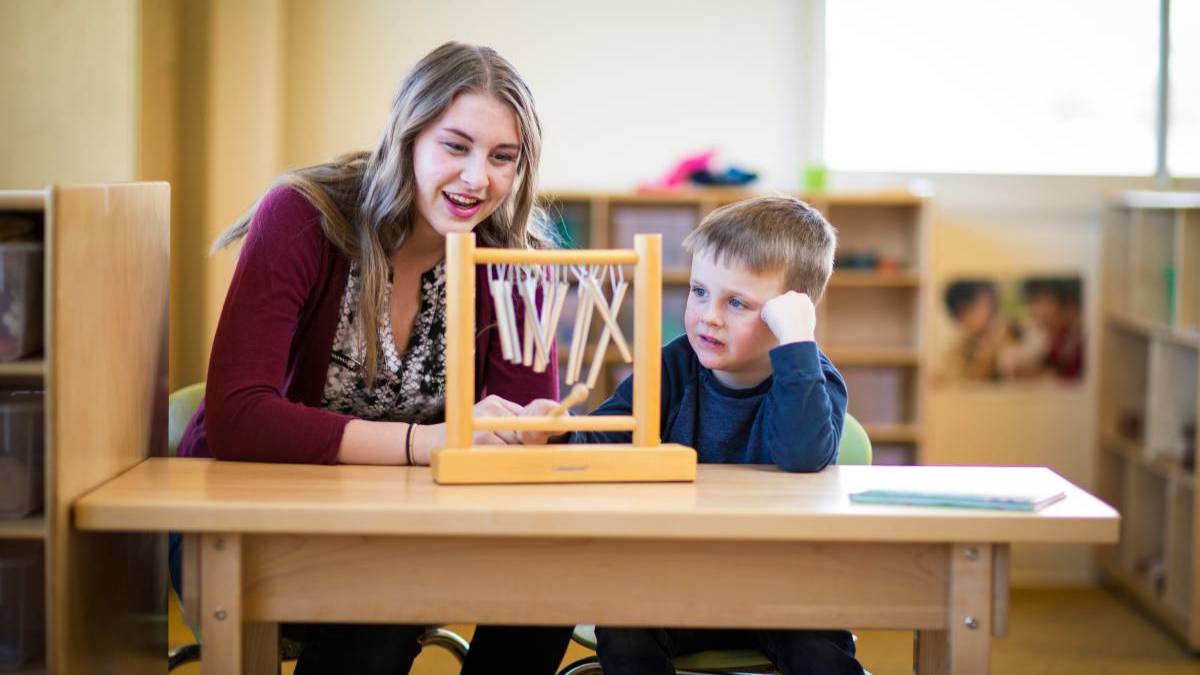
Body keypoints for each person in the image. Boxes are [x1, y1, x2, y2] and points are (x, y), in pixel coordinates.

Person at [174, 42, 572, 675]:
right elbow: (238, 417)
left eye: (503, 157)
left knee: (554, 585)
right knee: (378, 616)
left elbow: (517, 439)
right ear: (406, 137)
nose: (478, 179)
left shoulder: (516, 262)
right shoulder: (303, 217)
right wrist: (426, 442)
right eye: (455, 146)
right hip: (251, 522)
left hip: (404, 534)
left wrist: (527, 436)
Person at [523, 197, 862, 674]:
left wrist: (797, 345)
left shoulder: (811, 378)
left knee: (820, 650)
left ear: (791, 314)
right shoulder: (672, 368)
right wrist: (558, 433)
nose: (709, 316)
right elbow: (604, 443)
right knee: (624, 629)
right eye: (700, 291)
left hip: (782, 588)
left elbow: (802, 455)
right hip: (672, 581)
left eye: (737, 302)